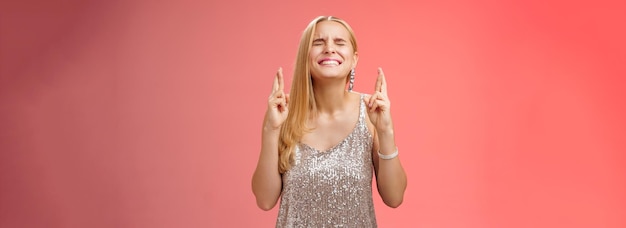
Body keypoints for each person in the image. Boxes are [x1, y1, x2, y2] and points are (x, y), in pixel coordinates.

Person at [252, 16, 407, 227]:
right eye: (318, 42)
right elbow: (264, 200)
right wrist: (270, 129)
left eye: (339, 42)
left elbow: (394, 197)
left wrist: (386, 131)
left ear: (354, 59)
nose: (329, 48)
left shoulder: (370, 113)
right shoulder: (284, 113)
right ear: (305, 57)